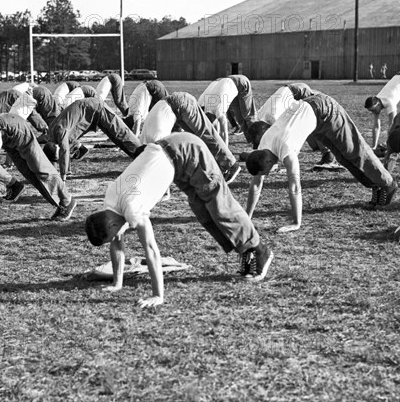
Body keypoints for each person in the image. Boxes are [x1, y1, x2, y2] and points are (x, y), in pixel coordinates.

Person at [84, 132, 273, 308]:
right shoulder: (110, 202)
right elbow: (116, 242)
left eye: (112, 235)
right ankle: (245, 250)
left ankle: (259, 250)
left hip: (185, 151)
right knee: (204, 213)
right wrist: (118, 284)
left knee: (219, 205)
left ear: (111, 224)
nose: (117, 237)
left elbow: (151, 250)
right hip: (176, 159)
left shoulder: (132, 208)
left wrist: (158, 295)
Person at [245, 93, 397, 233]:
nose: (268, 173)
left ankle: (388, 184)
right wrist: (247, 216)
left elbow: (295, 186)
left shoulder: (286, 149)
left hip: (326, 109)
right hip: (312, 115)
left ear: (269, 160)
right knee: (343, 157)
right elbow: (257, 183)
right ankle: (375, 184)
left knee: (355, 151)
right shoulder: (263, 146)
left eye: (267, 171)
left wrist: (296, 222)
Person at [141, 92, 241, 184]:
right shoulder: (147, 142)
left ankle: (231, 164)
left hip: (179, 103)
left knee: (206, 134)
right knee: (197, 139)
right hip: (174, 108)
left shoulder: (155, 141)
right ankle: (217, 167)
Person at [43, 97, 142, 182]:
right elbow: (60, 155)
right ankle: (139, 159)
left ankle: (144, 154)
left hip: (95, 107)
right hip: (90, 114)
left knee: (121, 133)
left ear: (57, 146)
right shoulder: (52, 137)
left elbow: (64, 151)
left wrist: (63, 178)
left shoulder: (60, 131)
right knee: (116, 139)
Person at [199, 76, 257, 146]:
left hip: (240, 82)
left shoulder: (218, 110)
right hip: (226, 83)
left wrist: (225, 151)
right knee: (239, 117)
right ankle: (251, 140)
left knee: (247, 115)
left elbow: (223, 132)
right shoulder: (201, 106)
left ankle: (258, 140)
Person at [364, 73, 400, 149]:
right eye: (371, 111)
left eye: (373, 110)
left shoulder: (389, 101)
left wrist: (388, 146)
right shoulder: (376, 102)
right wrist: (374, 147)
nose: (373, 112)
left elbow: (392, 127)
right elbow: (376, 126)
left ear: (377, 104)